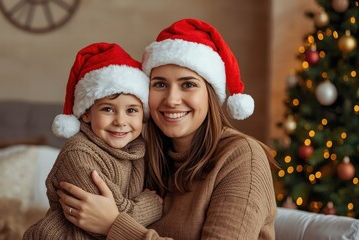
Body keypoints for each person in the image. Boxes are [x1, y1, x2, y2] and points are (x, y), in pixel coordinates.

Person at [57, 18, 277, 239]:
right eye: (160, 84)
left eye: (188, 84)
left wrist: (114, 225)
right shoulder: (143, 152)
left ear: (210, 95)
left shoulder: (241, 157)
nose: (171, 100)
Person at [23, 42, 163, 239]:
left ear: (143, 115)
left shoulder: (138, 150)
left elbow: (115, 218)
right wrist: (152, 204)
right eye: (108, 109)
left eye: (131, 110)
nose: (120, 121)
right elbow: (108, 217)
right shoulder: (79, 154)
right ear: (87, 113)